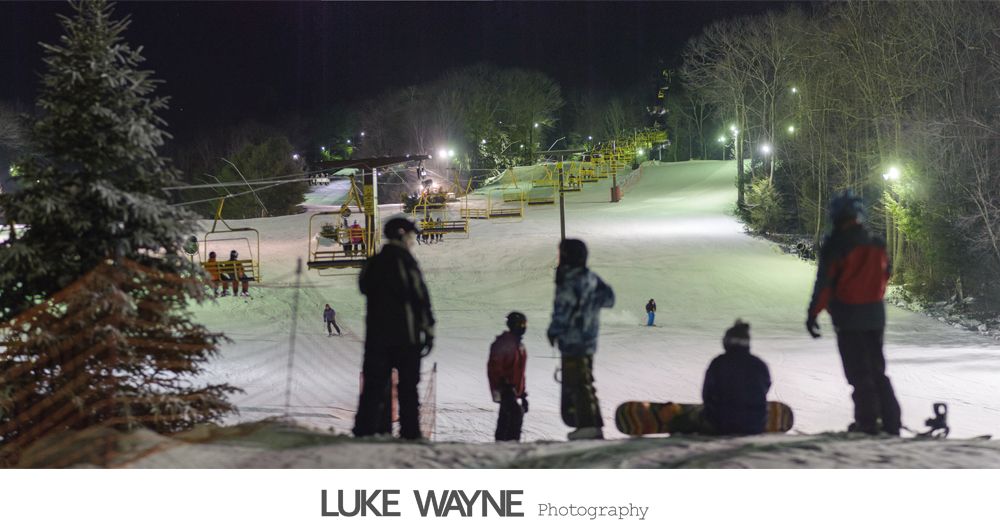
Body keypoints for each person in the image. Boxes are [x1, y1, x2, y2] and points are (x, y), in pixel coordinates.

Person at [807, 191, 901, 436]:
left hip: (849, 316)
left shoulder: (835, 245)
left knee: (859, 372)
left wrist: (813, 314)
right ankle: (891, 422)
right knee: (877, 369)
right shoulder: (876, 243)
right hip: (875, 315)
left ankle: (868, 424)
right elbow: (886, 275)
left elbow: (825, 284)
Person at [353, 217, 435, 440]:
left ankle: (366, 431)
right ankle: (410, 433)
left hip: (376, 337)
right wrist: (428, 331)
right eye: (410, 236)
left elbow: (363, 286)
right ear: (401, 235)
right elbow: (421, 297)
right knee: (408, 388)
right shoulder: (406, 262)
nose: (413, 241)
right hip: (405, 337)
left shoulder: (373, 262)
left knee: (374, 387)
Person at [547, 239, 615, 440]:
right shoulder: (591, 278)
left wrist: (554, 331)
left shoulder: (569, 280)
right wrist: (590, 303)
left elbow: (563, 309)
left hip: (572, 340)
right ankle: (594, 421)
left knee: (577, 382)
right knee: (586, 380)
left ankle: (587, 425)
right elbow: (609, 299)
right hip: (589, 340)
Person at [701, 320, 771, 435]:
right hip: (754, 424)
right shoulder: (759, 364)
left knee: (690, 418)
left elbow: (706, 393)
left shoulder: (718, 363)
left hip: (721, 424)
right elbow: (765, 387)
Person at [488, 312, 529, 442]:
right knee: (514, 414)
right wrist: (504, 385)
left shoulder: (518, 345)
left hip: (513, 389)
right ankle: (509, 442)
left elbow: (520, 372)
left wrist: (522, 394)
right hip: (505, 388)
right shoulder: (505, 343)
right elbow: (495, 365)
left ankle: (506, 442)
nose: (524, 327)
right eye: (522, 324)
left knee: (508, 415)